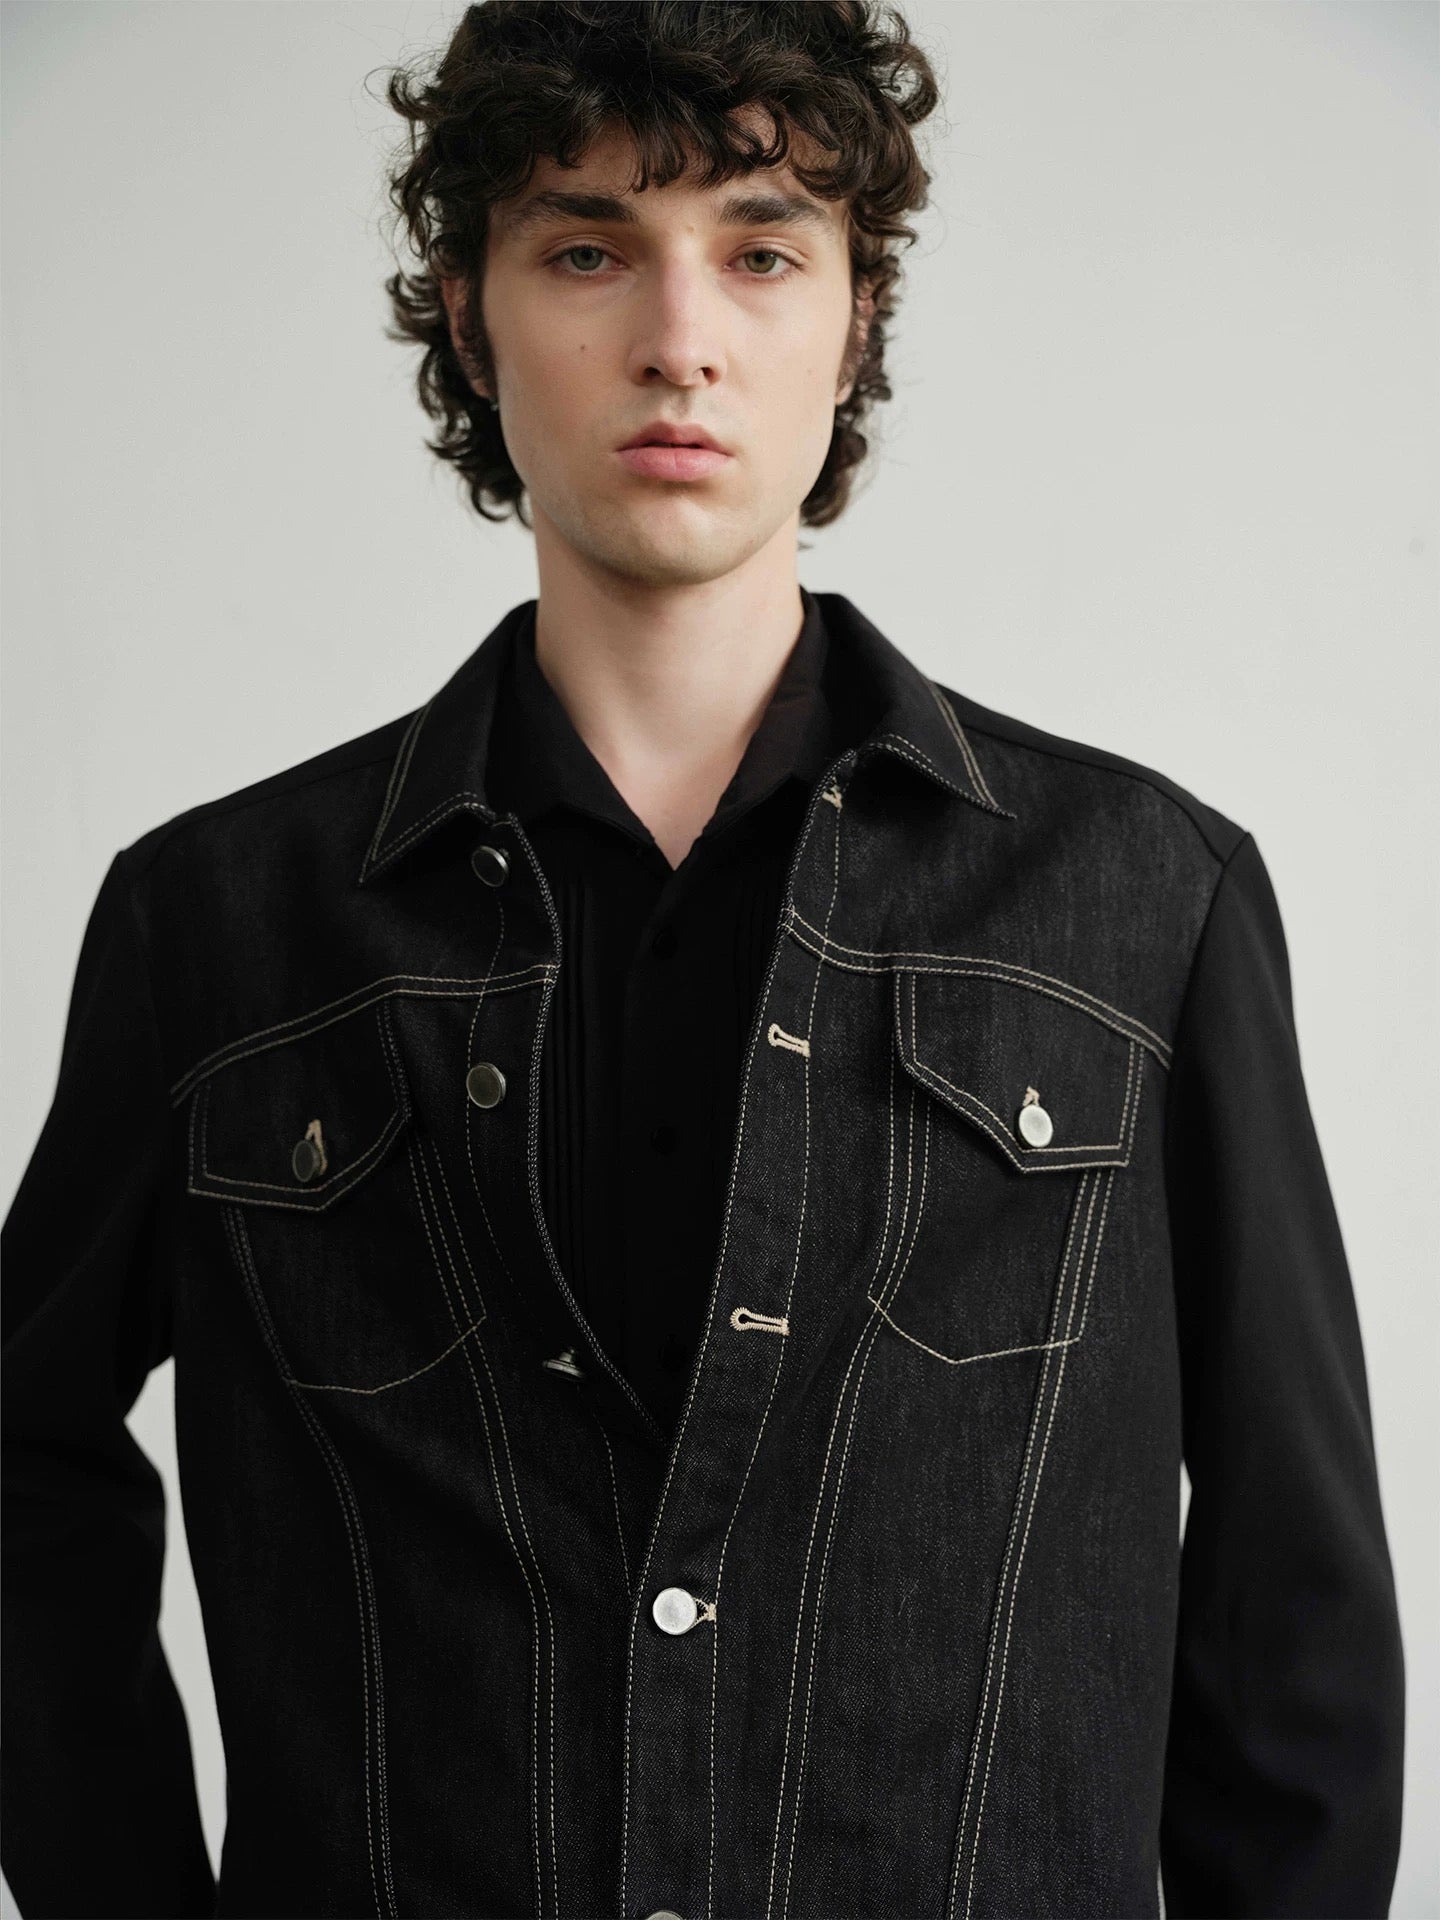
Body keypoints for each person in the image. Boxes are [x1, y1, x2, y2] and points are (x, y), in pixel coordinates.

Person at [1, 3, 1405, 1916]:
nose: (680, 337)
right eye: (588, 251)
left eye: (761, 251)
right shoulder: (221, 921)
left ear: (855, 317)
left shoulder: (1147, 900)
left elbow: (1286, 1587)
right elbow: (21, 1463)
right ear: (472, 315)